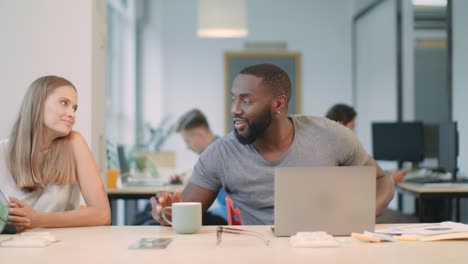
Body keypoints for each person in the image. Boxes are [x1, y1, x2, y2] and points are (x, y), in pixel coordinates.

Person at [150, 63, 394, 225]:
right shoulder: (220, 153)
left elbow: (382, 181)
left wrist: (365, 212)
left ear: (278, 104)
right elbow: (185, 212)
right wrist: (167, 212)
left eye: (246, 101)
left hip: (323, 251)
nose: (235, 110)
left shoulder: (330, 135)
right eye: (234, 100)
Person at [0, 76, 111, 232]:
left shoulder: (74, 143)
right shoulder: (2, 151)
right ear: (37, 104)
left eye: (74, 108)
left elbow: (103, 214)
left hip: (63, 246)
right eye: (64, 103)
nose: (72, 114)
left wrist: (37, 219)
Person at [325, 103, 407, 183]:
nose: (354, 131)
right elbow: (357, 186)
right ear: (341, 125)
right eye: (352, 126)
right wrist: (391, 179)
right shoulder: (339, 153)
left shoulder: (326, 148)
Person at [176, 109, 228, 223]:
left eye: (188, 141)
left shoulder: (215, 153)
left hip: (229, 216)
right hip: (226, 211)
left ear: (198, 134)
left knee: (180, 218)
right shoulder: (221, 147)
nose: (187, 147)